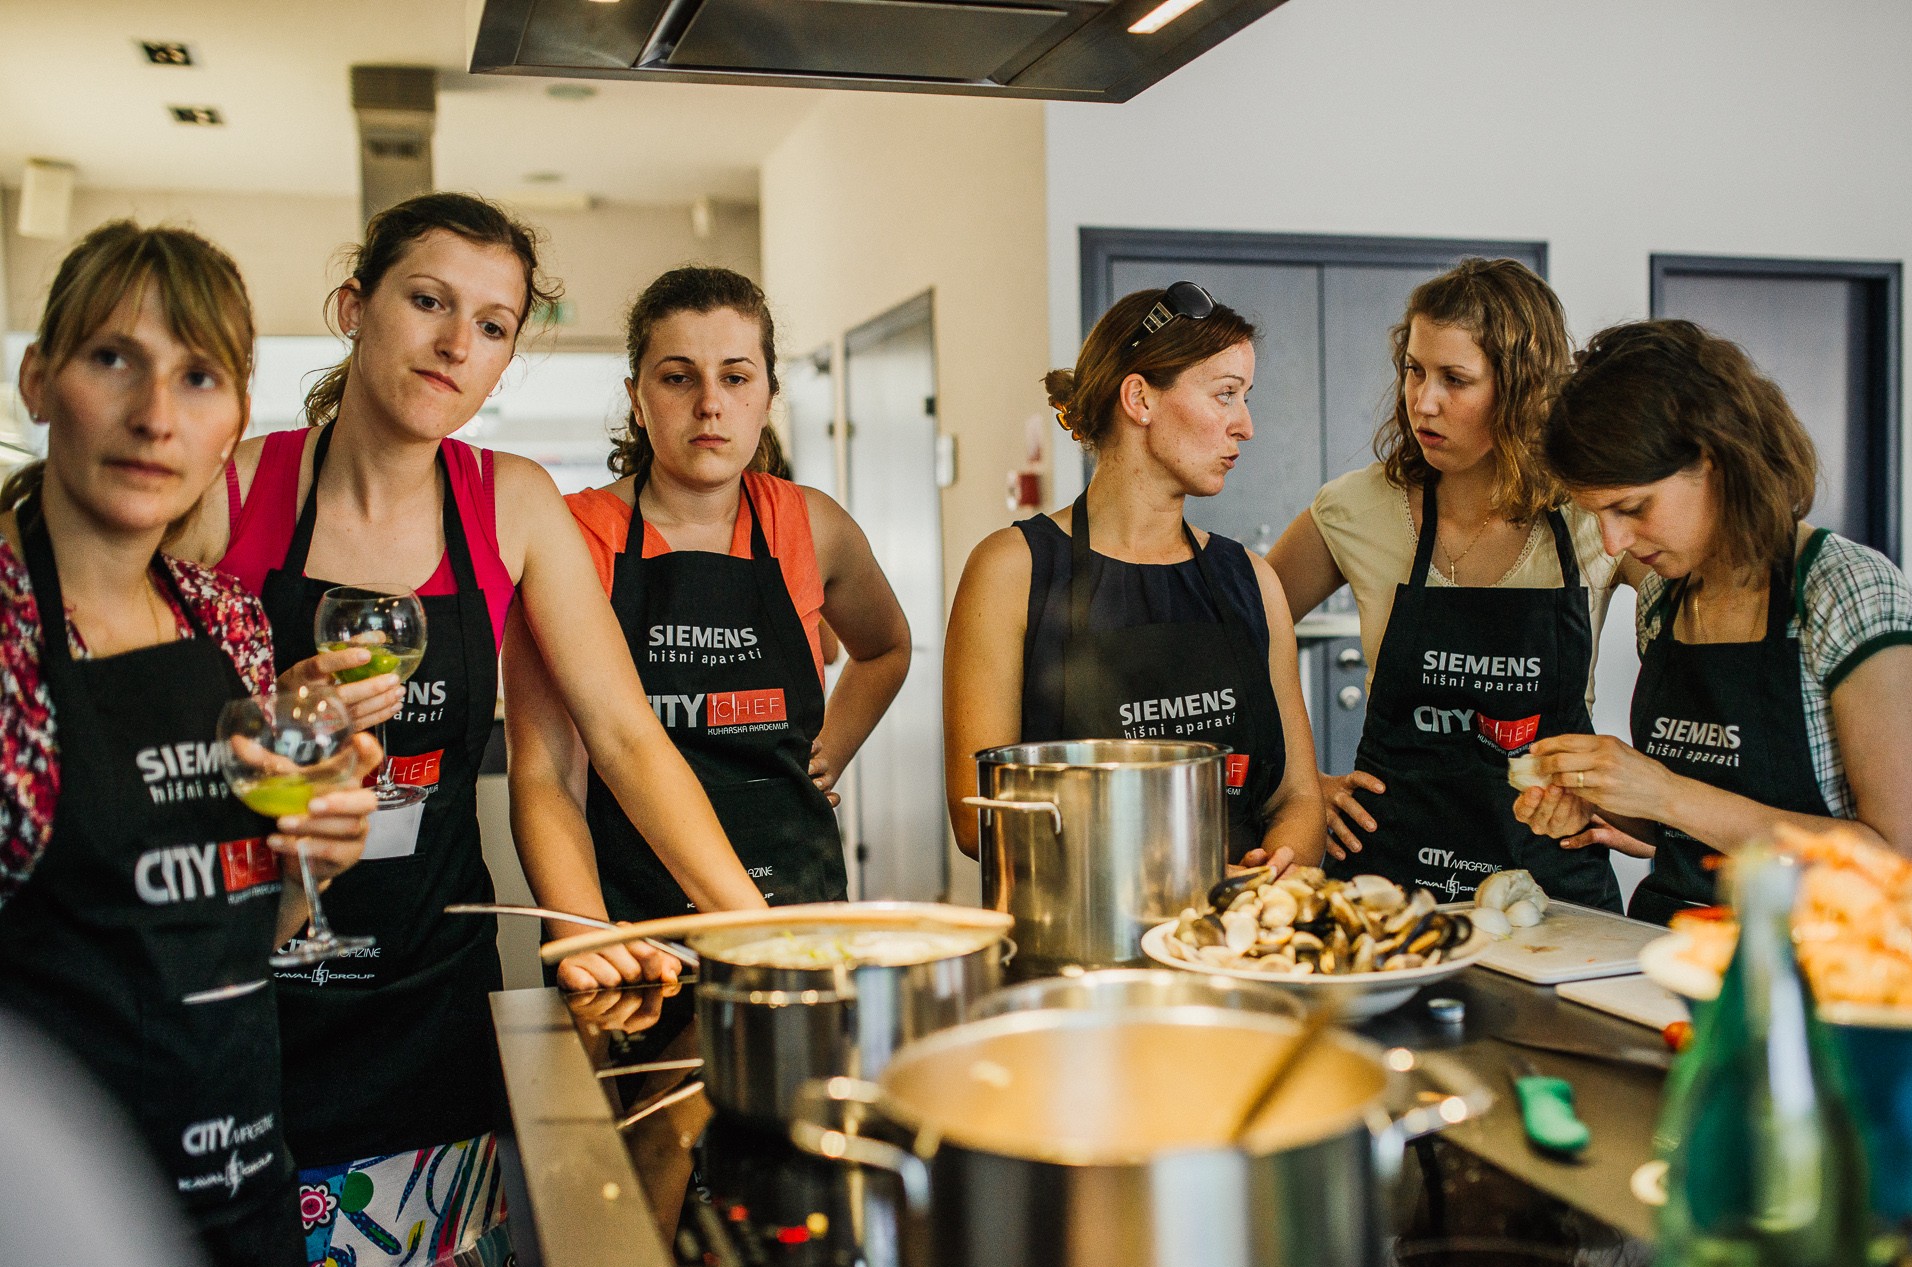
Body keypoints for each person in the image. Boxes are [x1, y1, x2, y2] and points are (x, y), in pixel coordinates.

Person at [172, 194, 768, 1267]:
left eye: (493, 325)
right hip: (250, 1000)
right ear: (354, 307)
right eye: (428, 302)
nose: (456, 344)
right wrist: (267, 727)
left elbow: (624, 736)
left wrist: (757, 931)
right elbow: (145, 738)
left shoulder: (511, 504)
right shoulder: (229, 491)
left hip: (427, 1005)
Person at [0, 220, 378, 1267]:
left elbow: (238, 931)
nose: (156, 414)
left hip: (247, 1212)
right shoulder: (9, 636)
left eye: (199, 376)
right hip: (53, 1252)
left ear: (234, 418)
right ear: (38, 379)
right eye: (113, 357)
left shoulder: (229, 622)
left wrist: (312, 865)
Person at [505, 265, 909, 934]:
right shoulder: (574, 537)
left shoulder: (814, 527)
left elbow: (887, 648)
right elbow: (546, 775)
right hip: (637, 925)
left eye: (736, 377)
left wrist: (830, 751)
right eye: (678, 377)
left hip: (796, 906)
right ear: (637, 398)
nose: (710, 404)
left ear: (769, 395)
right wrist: (585, 936)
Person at [1512, 319, 1912, 921]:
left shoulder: (1847, 591)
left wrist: (1667, 793)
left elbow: (1907, 865)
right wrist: (1601, 799)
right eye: (1598, 516)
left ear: (1715, 462)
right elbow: (1691, 826)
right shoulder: (1662, 600)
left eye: (1632, 508)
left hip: (1819, 953)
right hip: (1670, 941)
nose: (1613, 543)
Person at [1266, 259, 1626, 908]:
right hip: (1393, 893)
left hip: (1552, 894)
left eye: (1455, 380)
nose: (1424, 401)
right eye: (1414, 370)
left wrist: (1648, 802)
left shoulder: (1594, 516)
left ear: (1521, 389)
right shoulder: (1354, 509)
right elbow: (1240, 638)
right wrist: (1299, 784)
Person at [944, 283, 1323, 870]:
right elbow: (980, 818)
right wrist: (1188, 886)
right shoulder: (1011, 571)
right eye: (1225, 395)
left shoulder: (1251, 581)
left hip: (1236, 922)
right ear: (1140, 399)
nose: (1245, 425)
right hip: (1079, 922)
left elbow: (1298, 799)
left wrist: (1264, 882)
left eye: (1245, 398)